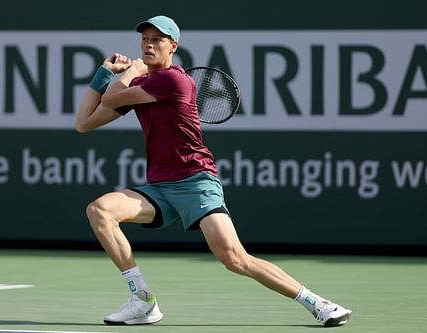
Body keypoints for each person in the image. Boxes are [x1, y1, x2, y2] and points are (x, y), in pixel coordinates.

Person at [75, 15, 352, 327]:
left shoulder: (173, 81)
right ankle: (142, 300)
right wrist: (103, 73)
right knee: (100, 211)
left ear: (173, 47)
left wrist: (131, 71)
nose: (149, 44)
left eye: (158, 40)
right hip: (160, 189)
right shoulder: (139, 86)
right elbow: (84, 123)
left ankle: (317, 303)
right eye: (145, 39)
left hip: (196, 182)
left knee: (234, 259)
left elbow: (112, 96)